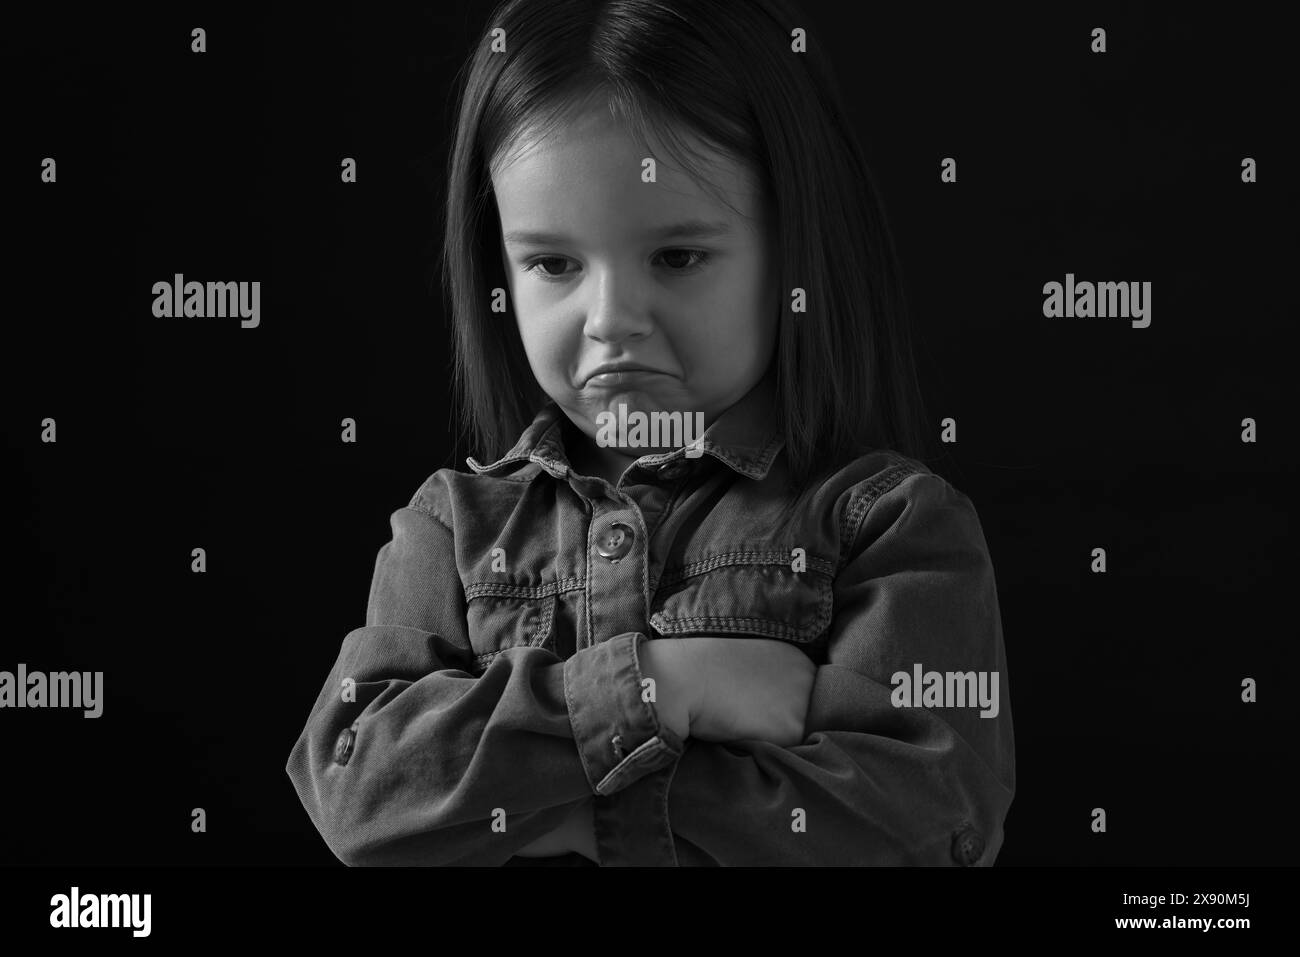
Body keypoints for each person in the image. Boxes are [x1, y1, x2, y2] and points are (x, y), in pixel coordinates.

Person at [285, 0, 1015, 866]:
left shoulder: (888, 526)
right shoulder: (449, 531)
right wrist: (663, 687)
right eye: (553, 263)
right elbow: (358, 792)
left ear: (794, 249)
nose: (610, 320)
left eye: (676, 257)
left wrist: (550, 814)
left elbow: (924, 826)